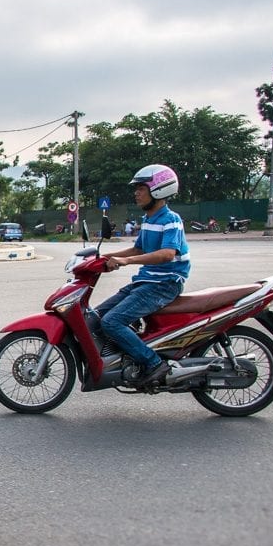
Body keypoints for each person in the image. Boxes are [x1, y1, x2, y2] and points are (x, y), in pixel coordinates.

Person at [97, 164, 190, 387]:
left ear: (158, 191)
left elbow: (168, 254)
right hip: (147, 281)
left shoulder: (171, 219)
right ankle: (127, 357)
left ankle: (154, 364)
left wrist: (125, 261)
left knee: (112, 321)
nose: (136, 193)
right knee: (98, 315)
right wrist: (103, 257)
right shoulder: (149, 219)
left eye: (141, 188)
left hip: (165, 283)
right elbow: (139, 250)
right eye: (136, 188)